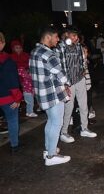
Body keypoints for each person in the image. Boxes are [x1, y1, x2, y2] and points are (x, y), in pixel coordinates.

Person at [30, 27, 71, 166]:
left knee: (51, 121)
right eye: (56, 37)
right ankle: (51, 156)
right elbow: (61, 74)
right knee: (56, 123)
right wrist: (68, 84)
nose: (58, 39)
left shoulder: (34, 52)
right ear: (48, 37)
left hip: (42, 94)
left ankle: (48, 149)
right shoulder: (48, 54)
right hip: (53, 94)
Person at [56, 26, 97, 143]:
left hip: (80, 79)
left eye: (76, 36)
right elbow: (58, 67)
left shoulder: (79, 47)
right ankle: (64, 132)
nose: (76, 38)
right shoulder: (60, 48)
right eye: (73, 35)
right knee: (69, 108)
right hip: (68, 83)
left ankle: (84, 128)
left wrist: (83, 69)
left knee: (84, 105)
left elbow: (82, 61)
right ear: (66, 35)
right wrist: (63, 84)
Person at [0, 32, 23, 153]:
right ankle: (14, 144)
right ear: (2, 43)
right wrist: (18, 98)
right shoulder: (7, 61)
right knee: (12, 120)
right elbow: (13, 82)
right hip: (7, 98)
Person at [10, 39, 37, 117]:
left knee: (29, 93)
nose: (18, 49)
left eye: (20, 47)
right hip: (15, 78)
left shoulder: (25, 55)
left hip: (27, 79)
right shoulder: (11, 57)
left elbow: (30, 65)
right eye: (16, 47)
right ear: (13, 48)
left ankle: (30, 109)